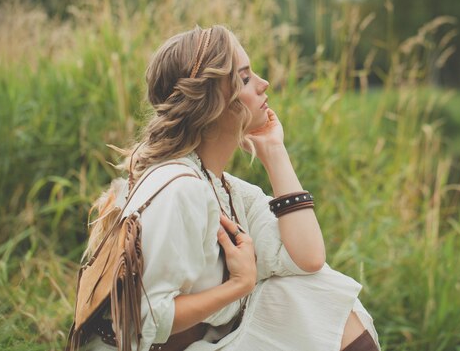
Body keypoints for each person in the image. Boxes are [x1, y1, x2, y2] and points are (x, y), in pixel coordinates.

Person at [82, 25, 380, 351]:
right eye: (246, 78)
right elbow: (146, 319)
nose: (264, 84)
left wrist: (274, 152)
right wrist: (238, 286)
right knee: (312, 301)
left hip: (205, 339)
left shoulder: (218, 185)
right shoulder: (180, 189)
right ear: (212, 102)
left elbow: (308, 259)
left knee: (315, 290)